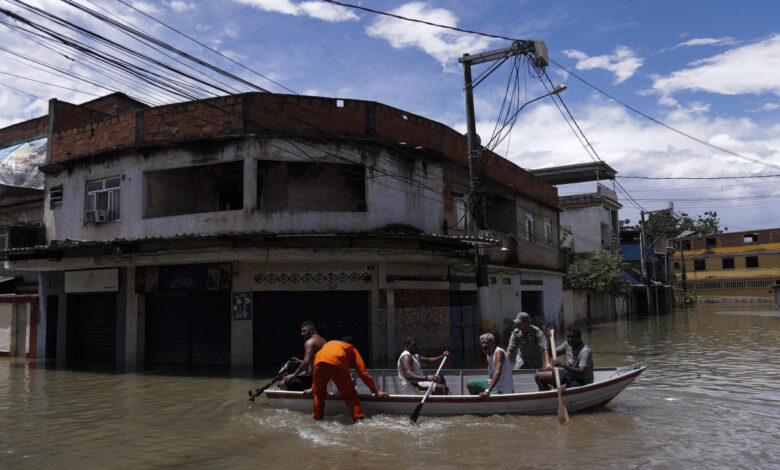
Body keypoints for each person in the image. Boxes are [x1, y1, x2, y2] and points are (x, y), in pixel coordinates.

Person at [303, 337, 389, 421]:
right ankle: (358, 418)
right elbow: (363, 373)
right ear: (352, 344)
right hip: (336, 362)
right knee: (350, 395)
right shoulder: (351, 348)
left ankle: (317, 418)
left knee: (319, 394)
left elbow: (317, 373)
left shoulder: (329, 344)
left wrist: (313, 388)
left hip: (318, 363)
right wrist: (375, 391)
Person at [280, 321, 327, 391]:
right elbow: (313, 361)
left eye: (304, 331)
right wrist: (299, 360)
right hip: (323, 377)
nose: (302, 334)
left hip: (314, 379)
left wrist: (294, 374)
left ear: (311, 330)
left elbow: (306, 362)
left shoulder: (309, 342)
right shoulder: (324, 341)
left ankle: (293, 401)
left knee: (283, 383)